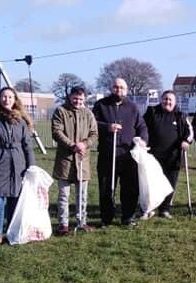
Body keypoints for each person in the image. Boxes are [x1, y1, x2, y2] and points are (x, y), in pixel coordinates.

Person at [0, 87, 37, 249]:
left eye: (10, 97)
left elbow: (27, 145)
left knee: (15, 200)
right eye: (4, 97)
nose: (7, 100)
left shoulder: (21, 120)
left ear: (15, 100)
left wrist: (31, 167)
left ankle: (12, 233)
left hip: (19, 164)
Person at [92, 77, 148, 226]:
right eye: (116, 87)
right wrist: (107, 127)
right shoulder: (101, 105)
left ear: (127, 90)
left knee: (130, 188)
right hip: (107, 154)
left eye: (122, 88)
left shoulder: (132, 107)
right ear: (111, 88)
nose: (119, 90)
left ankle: (127, 217)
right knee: (106, 188)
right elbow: (92, 124)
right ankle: (106, 218)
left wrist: (143, 139)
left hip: (127, 155)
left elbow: (142, 126)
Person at [51, 85, 98, 234]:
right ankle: (63, 224)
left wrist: (84, 144)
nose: (77, 101)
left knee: (82, 195)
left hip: (82, 160)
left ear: (85, 99)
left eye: (81, 99)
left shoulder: (88, 114)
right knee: (64, 195)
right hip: (65, 160)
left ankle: (81, 221)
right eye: (75, 98)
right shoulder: (60, 111)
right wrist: (72, 145)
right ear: (70, 97)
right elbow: (56, 132)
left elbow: (94, 134)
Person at [143, 90, 193, 219]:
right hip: (153, 156)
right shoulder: (152, 112)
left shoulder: (180, 116)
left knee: (170, 184)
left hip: (173, 157)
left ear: (175, 102)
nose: (167, 102)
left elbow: (189, 132)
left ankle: (165, 209)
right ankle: (149, 209)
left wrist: (186, 141)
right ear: (161, 100)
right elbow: (142, 128)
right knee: (152, 184)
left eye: (170, 100)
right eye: (165, 99)